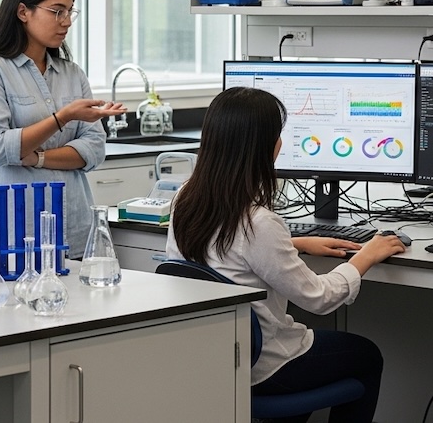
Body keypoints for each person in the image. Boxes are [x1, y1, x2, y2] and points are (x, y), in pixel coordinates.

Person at [166, 86, 407, 423]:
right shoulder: (259, 223)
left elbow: (225, 255)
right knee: (367, 355)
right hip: (265, 365)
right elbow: (319, 298)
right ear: (270, 148)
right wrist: (366, 255)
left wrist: (294, 242)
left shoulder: (185, 200)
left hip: (218, 356)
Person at [0, 0, 125, 258]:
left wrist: (36, 157)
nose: (66, 22)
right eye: (57, 11)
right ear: (23, 11)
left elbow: (93, 148)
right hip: (14, 236)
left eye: (70, 12)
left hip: (74, 231)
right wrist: (63, 118)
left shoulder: (72, 73)